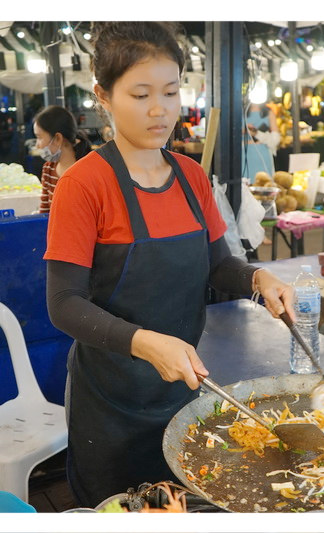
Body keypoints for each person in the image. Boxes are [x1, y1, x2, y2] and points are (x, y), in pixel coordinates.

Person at [43, 21, 295, 509]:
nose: (160, 110)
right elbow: (63, 304)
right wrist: (145, 343)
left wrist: (256, 278)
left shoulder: (191, 176)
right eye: (140, 94)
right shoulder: (83, 185)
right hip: (109, 402)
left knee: (181, 503)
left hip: (183, 388)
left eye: (171, 91)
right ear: (103, 96)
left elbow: (218, 266)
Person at [33, 105, 92, 213]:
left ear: (57, 138)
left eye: (39, 137)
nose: (37, 145)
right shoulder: (48, 170)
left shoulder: (88, 170)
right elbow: (45, 214)